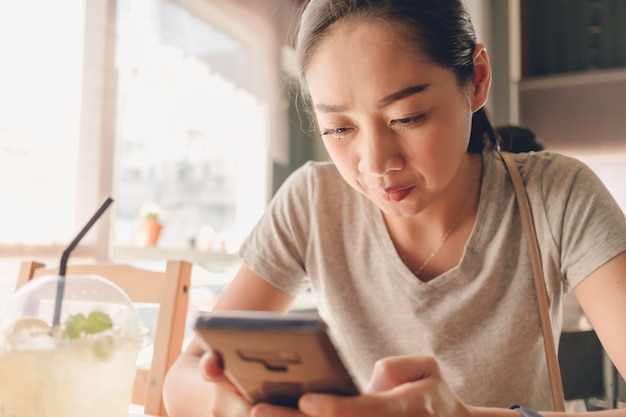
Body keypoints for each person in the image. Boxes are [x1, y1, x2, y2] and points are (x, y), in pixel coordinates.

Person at [162, 1, 626, 416]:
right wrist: (232, 408)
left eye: (407, 118)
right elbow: (183, 378)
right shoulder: (312, 202)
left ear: (477, 80)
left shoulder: (557, 196)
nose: (375, 164)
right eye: (339, 129)